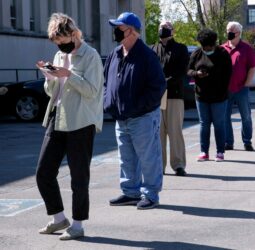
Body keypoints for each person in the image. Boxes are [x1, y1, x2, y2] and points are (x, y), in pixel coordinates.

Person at [35, 13, 104, 240]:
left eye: (63, 43)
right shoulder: (58, 54)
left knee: (79, 177)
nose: (60, 47)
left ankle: (77, 225)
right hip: (59, 117)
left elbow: (92, 91)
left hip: (81, 122)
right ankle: (58, 218)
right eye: (57, 44)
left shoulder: (90, 55)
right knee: (44, 172)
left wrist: (68, 75)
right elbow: (51, 92)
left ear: (73, 35)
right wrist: (49, 77)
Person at [104, 12, 166, 210]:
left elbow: (158, 87)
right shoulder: (115, 54)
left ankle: (151, 195)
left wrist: (139, 106)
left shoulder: (147, 55)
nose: (115, 31)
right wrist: (108, 101)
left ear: (130, 31)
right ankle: (130, 192)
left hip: (143, 117)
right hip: (121, 118)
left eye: (119, 28)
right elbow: (106, 81)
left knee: (149, 158)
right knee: (126, 158)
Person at [188, 29, 232, 161]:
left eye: (209, 46)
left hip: (219, 97)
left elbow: (228, 74)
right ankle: (204, 152)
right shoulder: (197, 53)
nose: (206, 49)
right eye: (204, 46)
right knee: (204, 124)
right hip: (201, 96)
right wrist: (197, 74)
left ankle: (220, 152)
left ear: (214, 44)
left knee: (219, 124)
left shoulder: (223, 53)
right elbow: (188, 70)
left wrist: (218, 83)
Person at [151, 21, 188, 176]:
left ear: (172, 31)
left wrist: (165, 81)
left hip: (174, 94)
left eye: (165, 28)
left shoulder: (181, 49)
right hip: (157, 96)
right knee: (158, 133)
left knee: (175, 131)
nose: (162, 30)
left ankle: (178, 164)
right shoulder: (152, 49)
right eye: (160, 27)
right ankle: (159, 165)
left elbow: (182, 70)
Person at [222, 21, 255, 151]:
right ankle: (228, 142)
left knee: (246, 116)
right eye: (227, 30)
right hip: (226, 89)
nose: (229, 33)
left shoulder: (247, 48)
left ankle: (247, 141)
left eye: (231, 30)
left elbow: (253, 67)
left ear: (238, 33)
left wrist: (247, 83)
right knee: (225, 116)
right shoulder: (222, 48)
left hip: (242, 88)